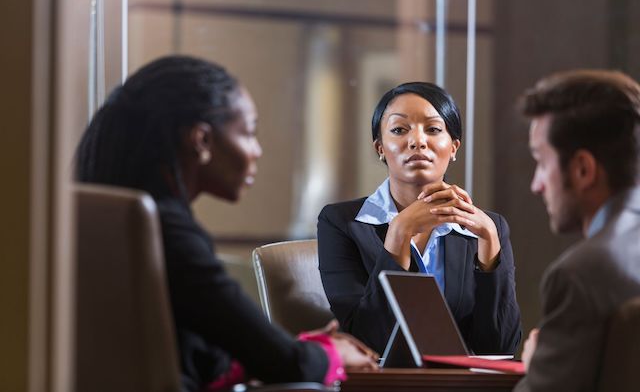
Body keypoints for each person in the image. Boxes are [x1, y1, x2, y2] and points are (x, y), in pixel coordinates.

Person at [75, 55, 378, 392]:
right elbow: (285, 364)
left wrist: (300, 347)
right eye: (249, 132)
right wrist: (332, 353)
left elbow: (221, 349)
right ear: (201, 141)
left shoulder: (112, 225)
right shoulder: (170, 235)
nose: (257, 150)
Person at [317, 82, 522, 355]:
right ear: (380, 148)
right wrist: (399, 233)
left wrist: (490, 246)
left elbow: (500, 348)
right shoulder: (341, 223)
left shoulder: (488, 227)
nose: (418, 141)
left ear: (453, 147)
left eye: (434, 129)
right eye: (399, 130)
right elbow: (367, 341)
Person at [514, 70, 640, 391]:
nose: (536, 185)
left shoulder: (580, 276)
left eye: (542, 162)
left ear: (583, 169)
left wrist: (536, 365)